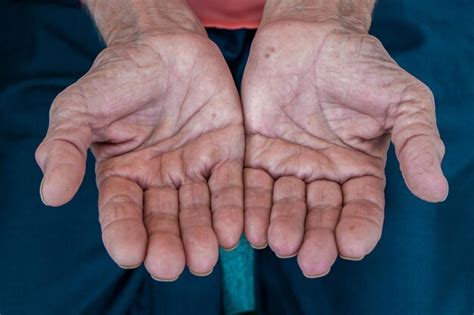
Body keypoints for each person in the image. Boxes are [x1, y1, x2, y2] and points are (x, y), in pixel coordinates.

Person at [1, 0, 472, 314]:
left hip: (375, 18)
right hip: (87, 21)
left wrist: (322, 10)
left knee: (407, 296)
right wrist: (143, 19)